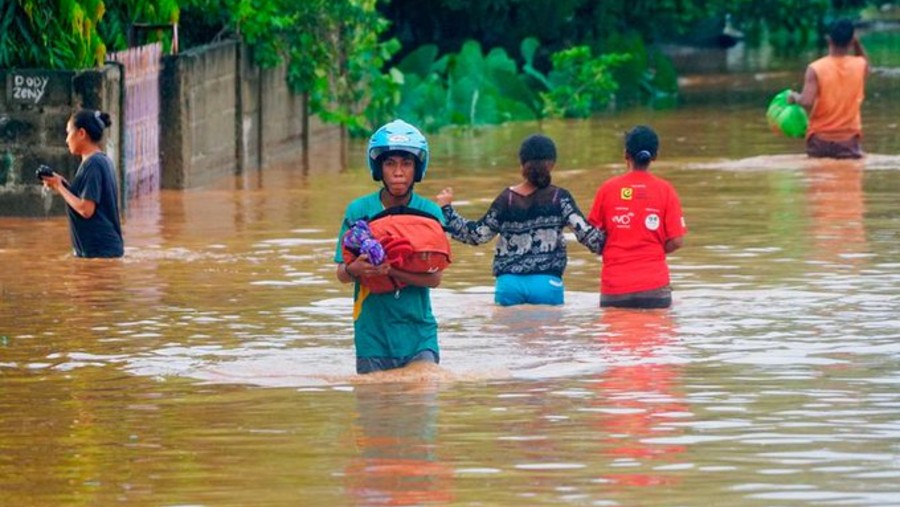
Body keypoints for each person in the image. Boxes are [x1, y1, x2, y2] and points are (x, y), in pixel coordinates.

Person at [436, 134, 605, 306]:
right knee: (550, 333)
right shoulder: (559, 198)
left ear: (521, 164)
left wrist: (446, 209)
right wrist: (618, 240)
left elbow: (477, 235)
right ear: (552, 164)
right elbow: (588, 236)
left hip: (508, 285)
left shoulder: (506, 199)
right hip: (546, 285)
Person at [334, 119, 446, 375]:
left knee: (421, 403)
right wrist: (356, 269)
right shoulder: (358, 211)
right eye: (390, 164)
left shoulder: (430, 213)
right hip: (372, 336)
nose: (398, 172)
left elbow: (435, 278)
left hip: (419, 333)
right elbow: (341, 274)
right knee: (376, 412)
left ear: (417, 169)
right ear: (379, 169)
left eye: (406, 164)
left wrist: (391, 272)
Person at [587, 125, 686, 309]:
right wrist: (653, 250)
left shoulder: (607, 189)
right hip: (654, 287)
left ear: (626, 154)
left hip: (614, 288)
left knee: (615, 337)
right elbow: (677, 241)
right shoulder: (666, 190)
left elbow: (591, 235)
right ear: (655, 156)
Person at [41, 109, 124, 258]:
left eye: (68, 133)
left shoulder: (93, 164)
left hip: (100, 253)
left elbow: (86, 209)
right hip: (103, 252)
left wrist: (59, 187)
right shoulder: (101, 161)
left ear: (81, 133)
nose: (66, 140)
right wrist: (61, 184)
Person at [787, 18, 868, 159]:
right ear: (851, 41)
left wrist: (794, 96)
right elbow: (866, 63)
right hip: (848, 141)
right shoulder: (859, 65)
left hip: (819, 141)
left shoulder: (815, 68)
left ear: (828, 39)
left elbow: (806, 101)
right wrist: (857, 43)